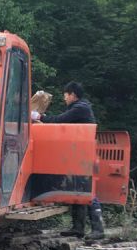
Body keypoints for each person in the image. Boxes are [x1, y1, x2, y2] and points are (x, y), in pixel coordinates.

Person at [37, 82, 104, 240]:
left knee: (88, 190)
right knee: (78, 189)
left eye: (66, 94)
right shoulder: (78, 107)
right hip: (80, 155)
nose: (64, 97)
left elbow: (60, 120)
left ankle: (98, 229)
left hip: (85, 156)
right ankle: (78, 228)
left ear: (73, 94)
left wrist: (40, 117)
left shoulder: (81, 108)